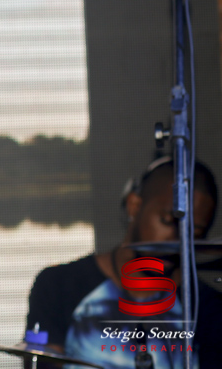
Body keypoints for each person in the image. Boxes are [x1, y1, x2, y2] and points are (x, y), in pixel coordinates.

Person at [26, 157, 222, 368]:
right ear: (134, 206)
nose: (177, 240)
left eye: (194, 232)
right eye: (167, 221)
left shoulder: (208, 308)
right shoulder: (57, 286)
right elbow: (40, 361)